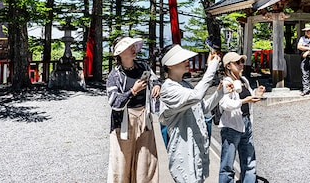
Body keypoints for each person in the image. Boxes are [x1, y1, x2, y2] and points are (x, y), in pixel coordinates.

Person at [159, 44, 224, 183]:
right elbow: (197, 95)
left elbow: (203, 108)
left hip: (197, 148)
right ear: (170, 65)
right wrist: (212, 67)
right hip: (183, 150)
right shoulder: (168, 89)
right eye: (182, 60)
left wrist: (220, 92)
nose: (187, 61)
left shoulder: (186, 84)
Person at [106, 36, 161, 183]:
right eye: (127, 47)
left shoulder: (143, 67)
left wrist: (157, 85)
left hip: (144, 118)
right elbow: (114, 102)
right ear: (119, 53)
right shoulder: (114, 75)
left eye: (132, 46)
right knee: (122, 163)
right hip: (123, 121)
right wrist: (133, 91)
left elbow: (155, 79)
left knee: (147, 161)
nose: (132, 49)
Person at [218, 52, 265, 183]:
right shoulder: (226, 83)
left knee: (249, 161)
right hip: (231, 125)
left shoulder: (243, 80)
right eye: (237, 62)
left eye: (242, 62)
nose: (241, 65)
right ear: (228, 66)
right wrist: (244, 101)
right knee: (227, 164)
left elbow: (248, 97)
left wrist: (257, 93)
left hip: (246, 122)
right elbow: (225, 104)